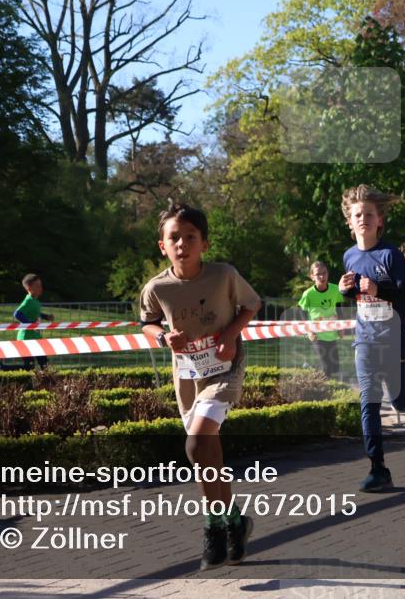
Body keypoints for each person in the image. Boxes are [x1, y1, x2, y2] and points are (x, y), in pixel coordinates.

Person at [140, 202, 260, 571]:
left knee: (195, 444)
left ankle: (212, 527)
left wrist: (230, 335)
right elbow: (147, 322)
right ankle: (235, 521)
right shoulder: (157, 287)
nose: (182, 244)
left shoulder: (224, 275)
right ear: (162, 246)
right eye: (174, 238)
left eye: (190, 237)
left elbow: (252, 304)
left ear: (204, 243)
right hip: (188, 376)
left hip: (225, 369)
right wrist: (163, 338)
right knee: (209, 452)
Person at [338, 185, 405, 493]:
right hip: (366, 340)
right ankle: (378, 469)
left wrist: (379, 290)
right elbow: (359, 293)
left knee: (399, 400)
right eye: (357, 215)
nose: (363, 219)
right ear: (350, 222)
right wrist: (346, 290)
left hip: (396, 339)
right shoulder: (349, 256)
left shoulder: (390, 255)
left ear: (379, 220)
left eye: (369, 214)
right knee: (369, 401)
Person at [0, 274, 55, 372]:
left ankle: (1, 368)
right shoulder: (28, 300)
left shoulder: (35, 301)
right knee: (31, 367)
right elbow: (17, 313)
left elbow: (35, 313)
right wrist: (30, 324)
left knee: (44, 365)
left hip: (35, 338)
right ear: (29, 288)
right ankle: (1, 368)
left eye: (40, 285)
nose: (40, 288)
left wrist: (46, 317)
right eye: (37, 286)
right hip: (26, 338)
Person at [297, 261, 343, 378]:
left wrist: (341, 327)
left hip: (331, 333)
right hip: (317, 334)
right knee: (326, 367)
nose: (322, 277)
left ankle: (311, 368)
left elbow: (339, 308)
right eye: (318, 274)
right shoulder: (308, 294)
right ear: (312, 276)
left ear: (328, 273)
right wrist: (309, 330)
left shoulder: (335, 289)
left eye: (324, 273)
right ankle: (324, 383)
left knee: (335, 367)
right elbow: (302, 313)